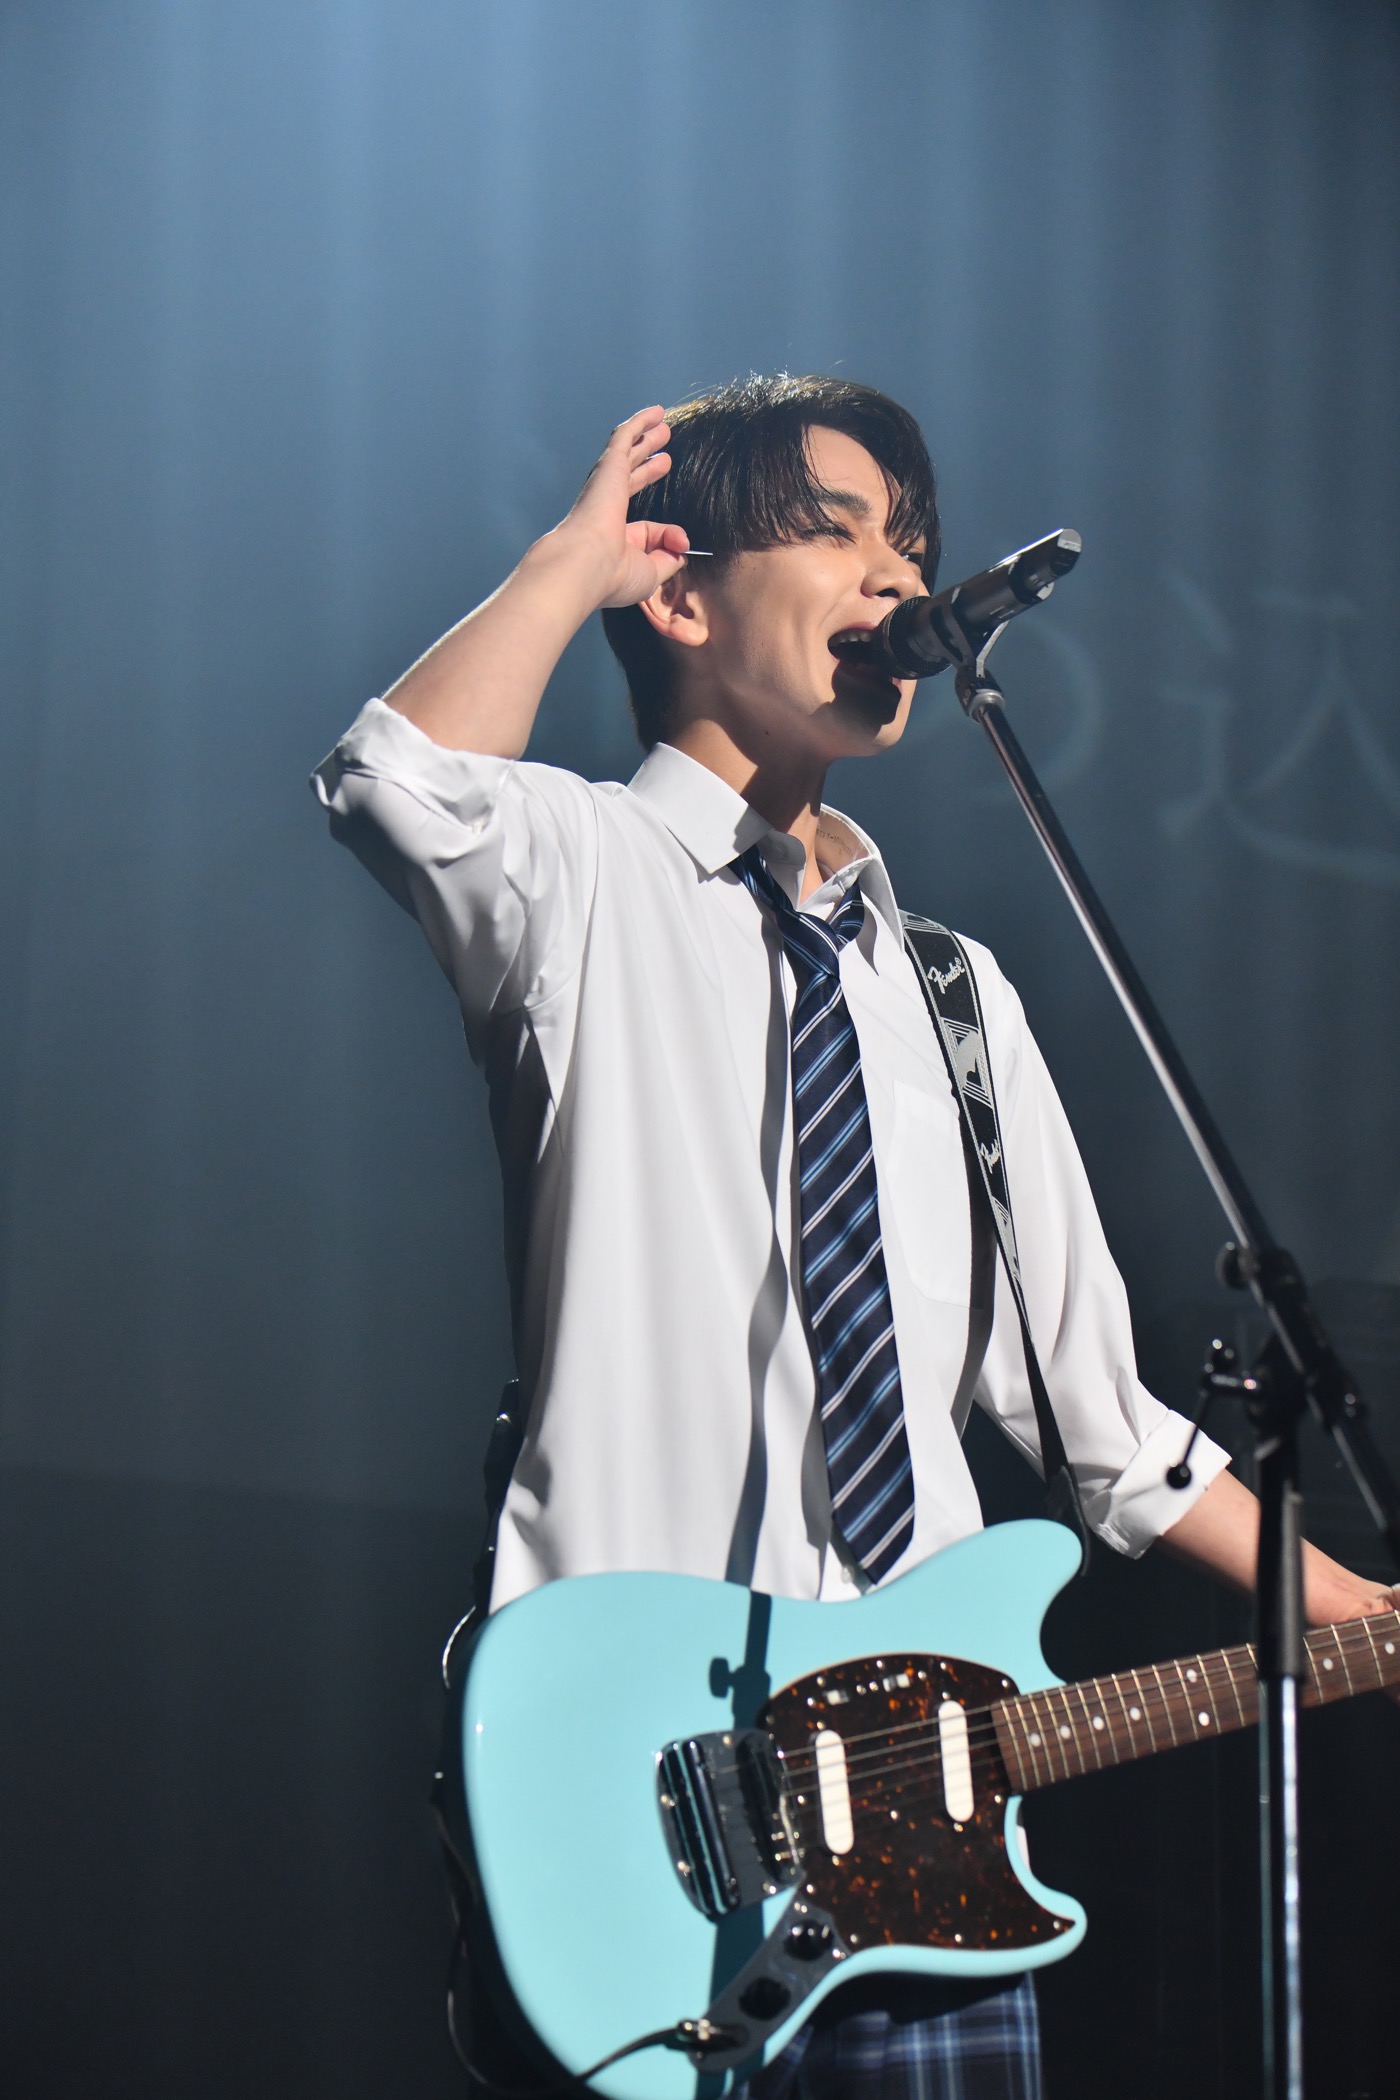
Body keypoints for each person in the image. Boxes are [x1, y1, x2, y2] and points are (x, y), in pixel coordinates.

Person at [312, 374, 1396, 2099]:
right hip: (645, 1765)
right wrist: (575, 562)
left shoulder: (955, 995)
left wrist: (1351, 1607)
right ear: (684, 597)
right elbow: (397, 784)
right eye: (837, 535)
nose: (899, 575)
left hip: (924, 1802)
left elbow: (1103, 1426)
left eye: (911, 542)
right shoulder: (582, 876)